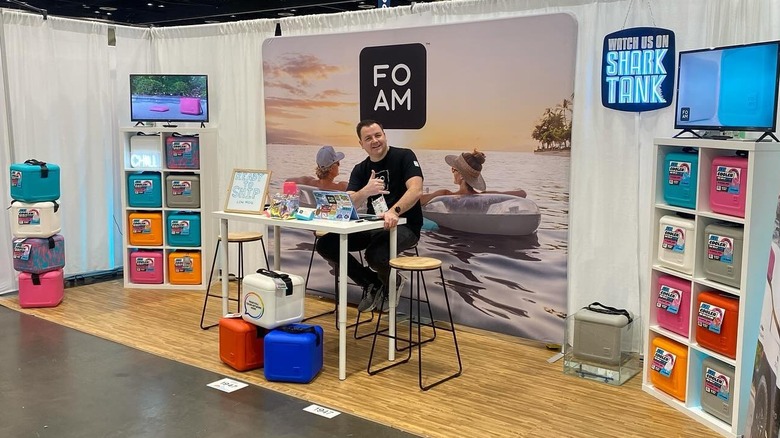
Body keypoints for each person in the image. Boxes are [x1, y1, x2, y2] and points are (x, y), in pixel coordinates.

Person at [315, 119, 424, 312]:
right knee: (326, 244)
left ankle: (394, 281)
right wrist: (366, 191)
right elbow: (347, 204)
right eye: (368, 138)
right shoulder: (360, 169)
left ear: (384, 135)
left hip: (405, 226)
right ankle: (371, 283)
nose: (375, 141)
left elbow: (415, 190)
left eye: (378, 135)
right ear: (361, 144)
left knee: (375, 255)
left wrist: (394, 211)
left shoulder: (404, 156)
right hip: (374, 226)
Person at [419, 149, 527, 205]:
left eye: (453, 169)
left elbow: (417, 201)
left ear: (461, 175)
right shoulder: (485, 198)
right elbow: (522, 193)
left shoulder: (445, 195)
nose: (452, 171)